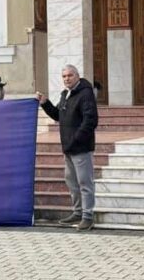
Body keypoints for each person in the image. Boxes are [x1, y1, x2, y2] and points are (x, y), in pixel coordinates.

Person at [36, 64, 98, 231]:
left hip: (81, 147)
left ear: (77, 76)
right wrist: (44, 103)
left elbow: (90, 120)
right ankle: (77, 212)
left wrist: (76, 139)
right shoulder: (66, 94)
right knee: (71, 182)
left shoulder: (85, 93)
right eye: (64, 76)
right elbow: (58, 115)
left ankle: (88, 216)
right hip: (69, 148)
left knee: (85, 182)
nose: (67, 79)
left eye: (70, 75)